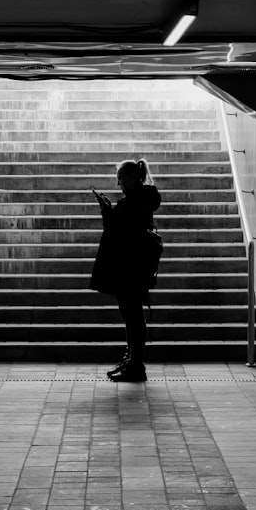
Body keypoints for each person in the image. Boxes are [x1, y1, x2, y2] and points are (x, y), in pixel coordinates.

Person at [89, 158, 162, 382]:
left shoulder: (133, 202)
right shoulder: (139, 199)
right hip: (134, 266)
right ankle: (132, 360)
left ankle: (135, 364)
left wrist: (106, 211)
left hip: (131, 267)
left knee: (132, 316)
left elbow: (118, 230)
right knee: (132, 315)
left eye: (120, 179)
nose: (118, 184)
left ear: (131, 178)